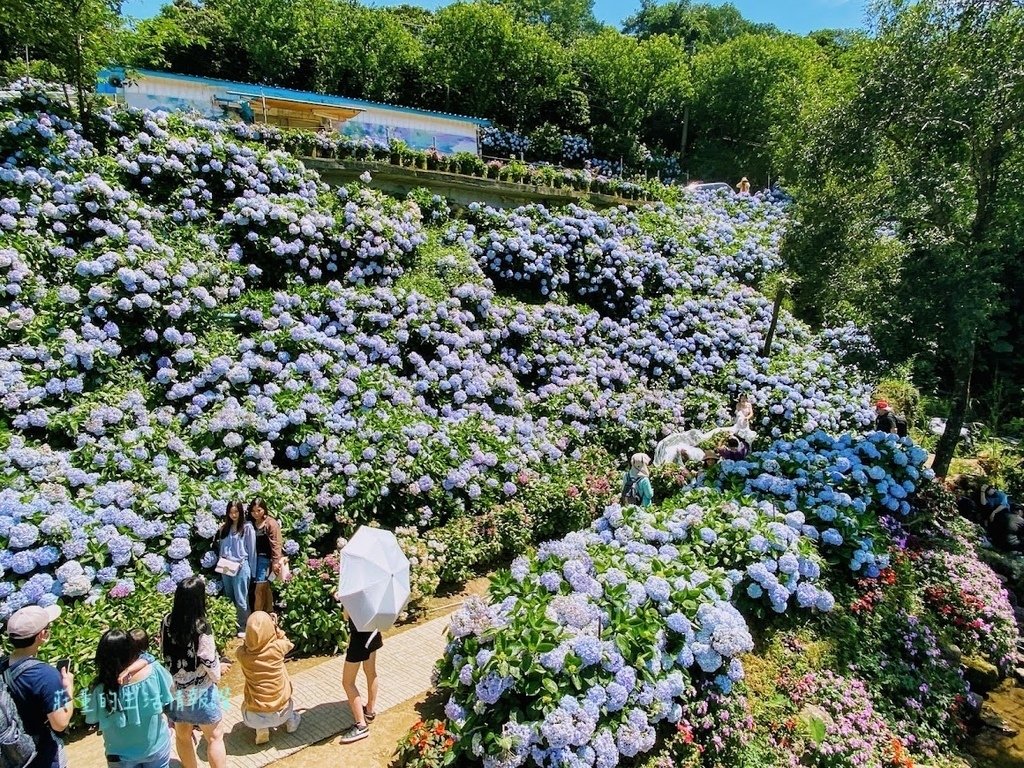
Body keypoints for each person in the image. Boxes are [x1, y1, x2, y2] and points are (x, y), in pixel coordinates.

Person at [160, 576, 226, 768]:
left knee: (182, 735)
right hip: (201, 691)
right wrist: (217, 676)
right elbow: (209, 659)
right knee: (214, 737)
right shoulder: (201, 626)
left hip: (176, 691)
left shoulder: (167, 621)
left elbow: (164, 651)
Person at [85, 629, 175, 768]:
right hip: (155, 746)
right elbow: (171, 696)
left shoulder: (99, 689)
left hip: (119, 755)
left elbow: (92, 718)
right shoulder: (154, 671)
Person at [0, 606, 73, 768]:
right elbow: (60, 723)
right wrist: (69, 689)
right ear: (42, 635)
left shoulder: (1, 667)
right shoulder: (45, 675)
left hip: (10, 755)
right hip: (43, 756)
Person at [236, 612, 300, 745]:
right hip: (282, 709)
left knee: (249, 699)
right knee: (283, 681)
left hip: (255, 716)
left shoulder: (243, 656)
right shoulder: (277, 648)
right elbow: (288, 642)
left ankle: (261, 729)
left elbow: (244, 646)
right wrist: (276, 627)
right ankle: (291, 720)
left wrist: (250, 639)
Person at [339, 609, 381, 745]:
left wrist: (344, 600)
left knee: (348, 682)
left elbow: (346, 616)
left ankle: (361, 725)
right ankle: (370, 711)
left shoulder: (352, 591)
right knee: (371, 672)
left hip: (358, 639)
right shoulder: (374, 589)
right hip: (373, 632)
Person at [216, 500, 257, 638]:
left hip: (241, 565)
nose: (233, 515)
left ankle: (244, 625)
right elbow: (221, 547)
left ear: (240, 512)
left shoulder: (247, 528)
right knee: (229, 596)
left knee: (241, 597)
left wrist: (252, 570)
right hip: (226, 565)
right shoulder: (224, 529)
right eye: (231, 512)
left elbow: (252, 550)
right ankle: (231, 624)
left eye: (236, 512)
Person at [249, 498, 283, 615]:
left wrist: (275, 562)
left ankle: (256, 616)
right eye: (253, 511)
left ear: (264, 509)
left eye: (259, 510)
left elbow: (276, 543)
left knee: (259, 588)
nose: (256, 513)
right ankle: (270, 612)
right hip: (253, 559)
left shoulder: (270, 523)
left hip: (265, 559)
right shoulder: (250, 523)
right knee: (265, 587)